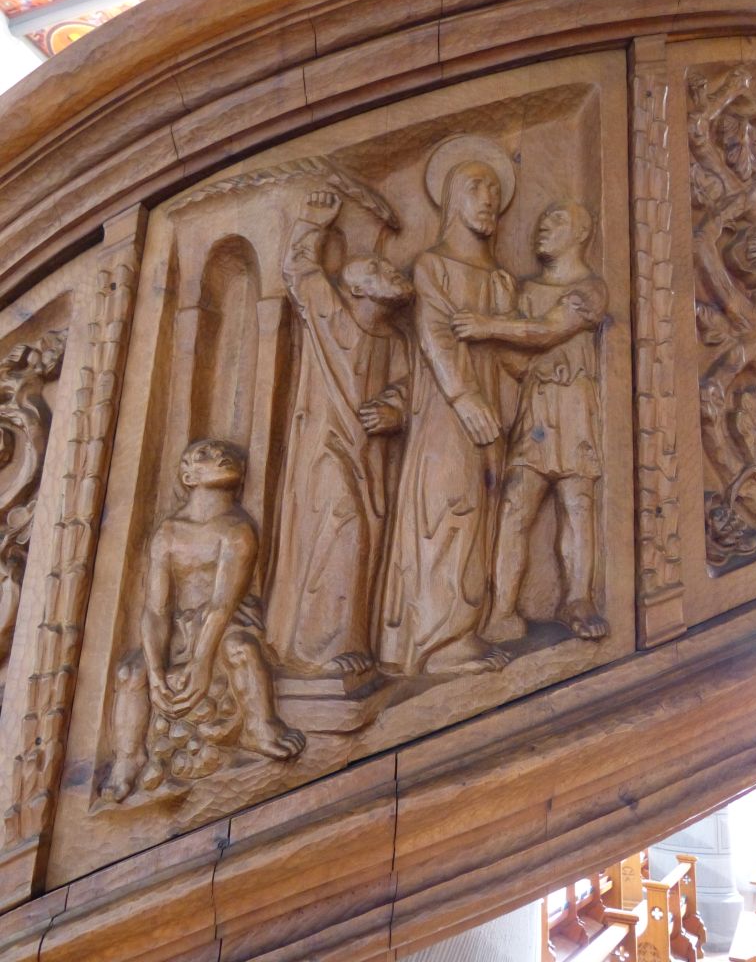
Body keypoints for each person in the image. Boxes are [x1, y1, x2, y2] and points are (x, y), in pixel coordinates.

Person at [378, 138, 519, 676]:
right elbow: (434, 332)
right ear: (451, 200)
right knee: (447, 508)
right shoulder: (432, 266)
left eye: (494, 190)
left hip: (494, 413)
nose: (488, 199)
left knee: (481, 512)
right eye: (475, 187)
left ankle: (465, 629)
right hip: (446, 410)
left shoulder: (501, 279)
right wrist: (465, 397)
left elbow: (511, 355)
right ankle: (438, 640)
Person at [102, 438, 305, 802]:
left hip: (226, 625)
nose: (221, 455)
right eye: (204, 454)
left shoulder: (237, 529)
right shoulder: (168, 533)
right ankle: (128, 758)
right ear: (188, 476)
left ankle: (260, 726)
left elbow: (221, 605)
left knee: (241, 650)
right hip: (180, 629)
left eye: (225, 454)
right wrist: (155, 671)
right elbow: (156, 610)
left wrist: (200, 664)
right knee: (130, 673)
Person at [264, 190, 412, 678]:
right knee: (341, 524)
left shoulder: (395, 341)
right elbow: (300, 272)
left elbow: (407, 388)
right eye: (377, 270)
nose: (392, 272)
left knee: (366, 535)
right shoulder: (331, 314)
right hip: (325, 447)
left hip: (371, 458)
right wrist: (313, 222)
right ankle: (320, 648)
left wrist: (394, 411)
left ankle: (350, 638)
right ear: (357, 290)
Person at [451, 200, 608, 641]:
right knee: (515, 507)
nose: (543, 226)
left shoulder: (590, 289)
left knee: (578, 504)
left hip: (574, 405)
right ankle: (501, 609)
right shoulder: (526, 292)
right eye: (541, 218)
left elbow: (549, 331)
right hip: (536, 410)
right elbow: (516, 364)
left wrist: (489, 324)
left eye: (557, 219)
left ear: (582, 233)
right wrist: (504, 312)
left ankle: (578, 598)